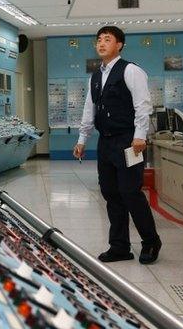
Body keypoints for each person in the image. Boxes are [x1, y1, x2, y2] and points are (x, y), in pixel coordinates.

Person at [73, 26, 161, 264]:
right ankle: (120, 246)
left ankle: (151, 242)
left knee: (131, 193)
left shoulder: (131, 70)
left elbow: (143, 105)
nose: (101, 43)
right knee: (111, 193)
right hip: (106, 143)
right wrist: (82, 139)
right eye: (98, 40)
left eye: (107, 39)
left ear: (119, 44)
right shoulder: (96, 76)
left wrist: (140, 136)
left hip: (129, 141)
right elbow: (89, 109)